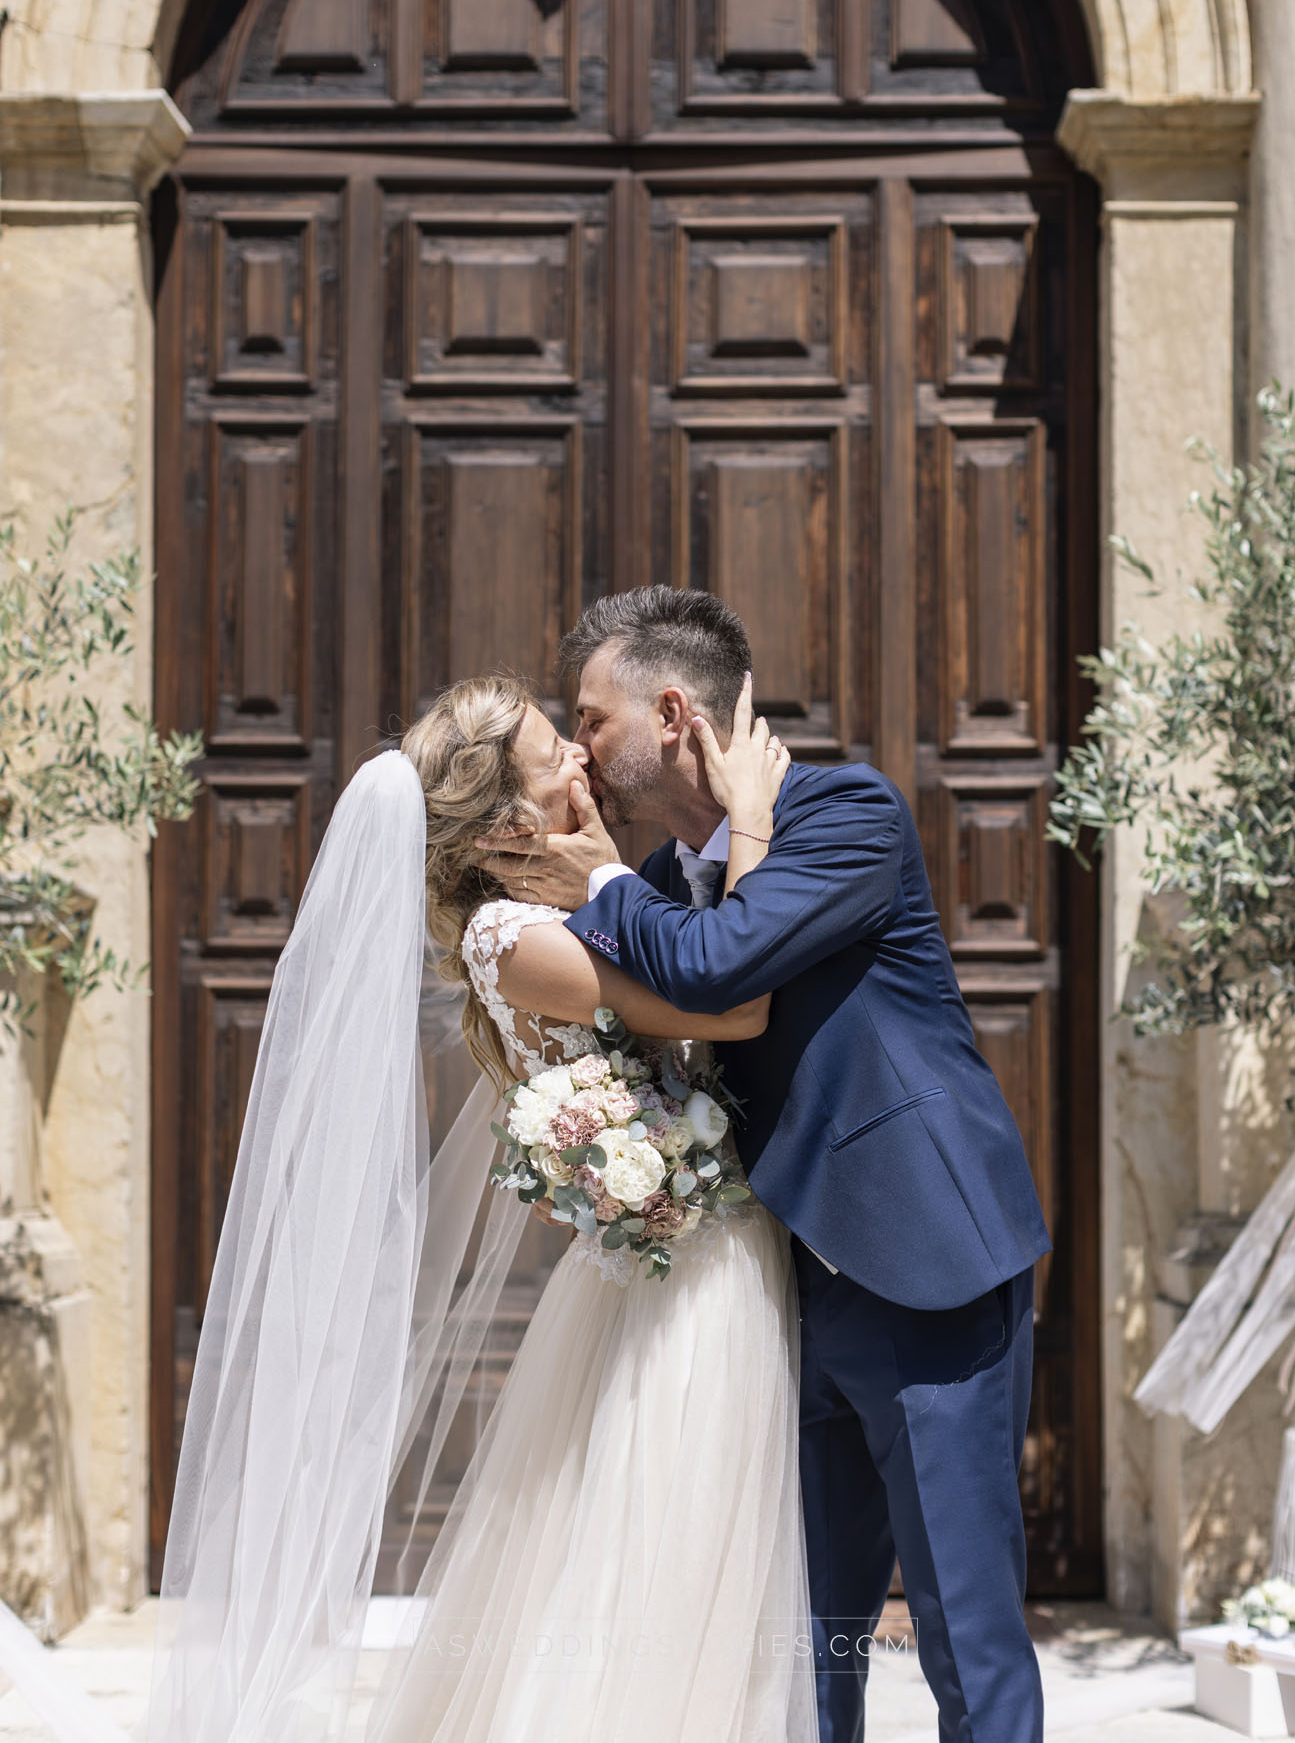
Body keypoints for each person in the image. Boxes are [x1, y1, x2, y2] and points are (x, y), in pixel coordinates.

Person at [140, 672, 816, 1743]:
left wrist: (599, 865)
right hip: (685, 1264)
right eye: (558, 753)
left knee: (674, 1538)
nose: (582, 760)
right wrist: (750, 818)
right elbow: (728, 1000)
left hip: (697, 1242)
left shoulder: (565, 896)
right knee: (662, 1541)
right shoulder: (514, 938)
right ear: (505, 816)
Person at [478, 586, 1053, 1743]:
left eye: (591, 718)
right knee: (801, 1639)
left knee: (962, 1632)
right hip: (783, 1298)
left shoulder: (844, 813)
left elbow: (721, 968)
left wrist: (598, 879)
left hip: (924, 1268)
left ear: (674, 711)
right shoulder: (673, 875)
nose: (581, 746)